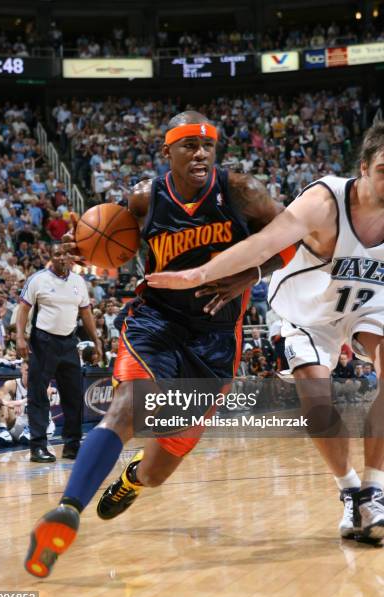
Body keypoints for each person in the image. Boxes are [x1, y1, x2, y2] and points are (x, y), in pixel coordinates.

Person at [24, 110, 298, 578]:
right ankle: (68, 508)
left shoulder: (241, 191)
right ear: (166, 152)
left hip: (213, 341)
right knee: (128, 404)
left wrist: (247, 277)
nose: (200, 153)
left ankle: (132, 477)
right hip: (157, 322)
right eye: (189, 144)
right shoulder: (145, 200)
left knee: (157, 471)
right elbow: (102, 235)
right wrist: (80, 246)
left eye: (208, 145)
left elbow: (293, 236)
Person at [146, 121, 384, 543]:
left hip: (366, 305)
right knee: (317, 404)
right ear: (363, 168)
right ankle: (349, 490)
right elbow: (264, 243)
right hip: (304, 310)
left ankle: (375, 492)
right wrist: (201, 272)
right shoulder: (324, 202)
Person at [16, 243, 102, 463]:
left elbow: (86, 312)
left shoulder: (78, 282)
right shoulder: (38, 279)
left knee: (73, 395)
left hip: (69, 342)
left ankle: (72, 446)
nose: (62, 258)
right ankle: (38, 446)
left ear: (70, 258)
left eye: (65, 254)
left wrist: (96, 340)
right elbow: (24, 308)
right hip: (43, 341)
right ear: (51, 257)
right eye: (57, 254)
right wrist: (19, 337)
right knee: (38, 394)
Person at [0, 361, 55, 446]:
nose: (30, 374)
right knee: (2, 398)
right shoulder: (12, 384)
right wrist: (7, 403)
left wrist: (21, 402)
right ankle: (3, 430)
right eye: (27, 370)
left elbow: (42, 395)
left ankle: (31, 431)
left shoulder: (43, 383)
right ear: (21, 369)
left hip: (41, 426)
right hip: (19, 426)